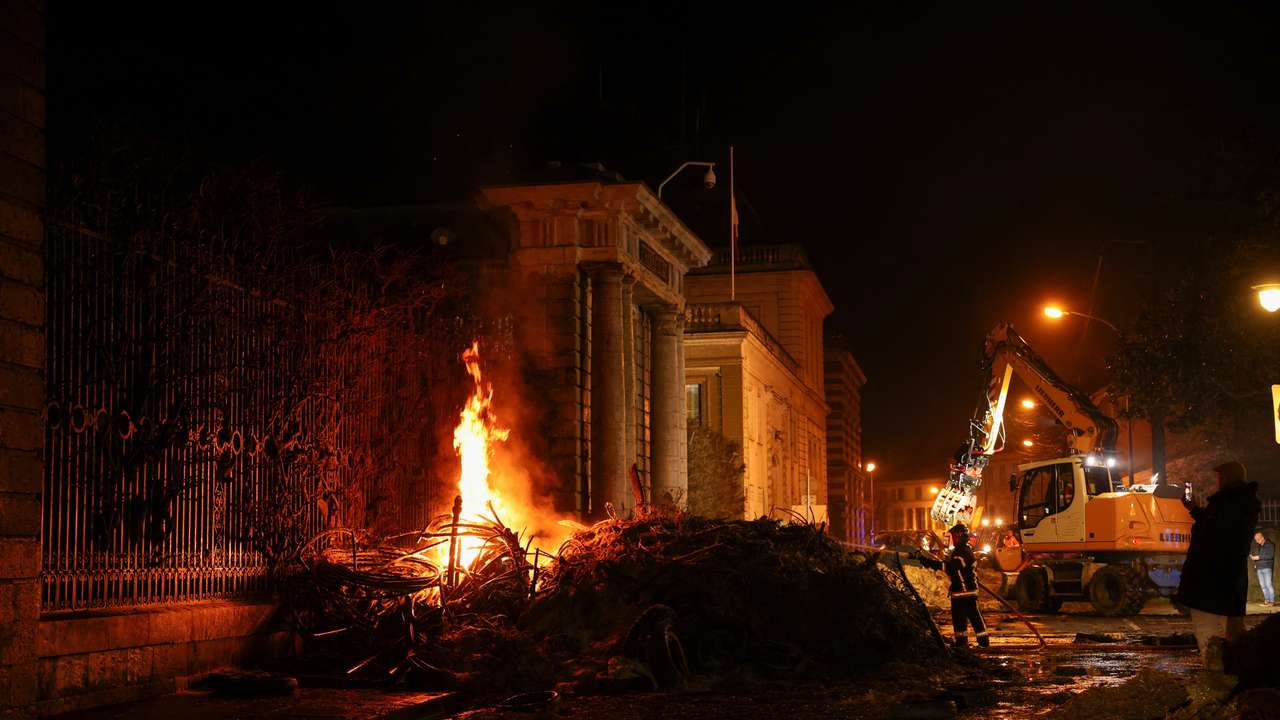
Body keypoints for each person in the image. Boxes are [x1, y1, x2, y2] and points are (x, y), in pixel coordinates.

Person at [1173, 461, 1261, 669]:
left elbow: (1214, 534)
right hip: (1230, 580)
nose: (1217, 482)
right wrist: (1194, 509)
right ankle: (1236, 671)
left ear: (1227, 478)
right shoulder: (1241, 504)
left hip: (1210, 581)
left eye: (1219, 477)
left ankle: (1217, 675)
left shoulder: (1227, 504)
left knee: (1208, 634)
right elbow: (1215, 527)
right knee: (1231, 631)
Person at [918, 522, 989, 648]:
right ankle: (961, 642)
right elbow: (952, 568)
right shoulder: (959, 550)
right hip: (959, 591)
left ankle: (983, 642)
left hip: (966, 592)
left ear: (959, 536)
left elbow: (952, 567)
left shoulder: (964, 551)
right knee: (958, 619)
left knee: (974, 617)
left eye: (954, 536)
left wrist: (928, 562)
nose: (952, 539)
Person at [1250, 528, 1275, 606]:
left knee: (1268, 585)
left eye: (1258, 539)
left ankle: (1272, 602)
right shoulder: (1260, 546)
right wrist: (1255, 562)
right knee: (1263, 586)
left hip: (1266, 568)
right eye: (1256, 540)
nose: (1257, 541)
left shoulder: (1270, 545)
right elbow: (1259, 557)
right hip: (1259, 568)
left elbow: (1270, 556)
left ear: (1262, 537)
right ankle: (1267, 601)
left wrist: (1258, 557)